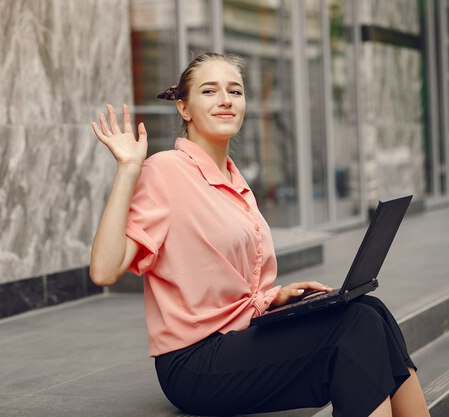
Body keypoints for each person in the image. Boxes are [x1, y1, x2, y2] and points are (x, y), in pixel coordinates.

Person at [89, 52, 429, 417]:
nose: (225, 100)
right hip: (194, 362)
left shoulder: (235, 181)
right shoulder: (165, 171)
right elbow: (104, 271)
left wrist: (273, 297)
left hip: (240, 336)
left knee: (369, 309)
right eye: (209, 91)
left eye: (235, 91)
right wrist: (128, 170)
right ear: (184, 109)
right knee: (356, 326)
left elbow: (230, 284)